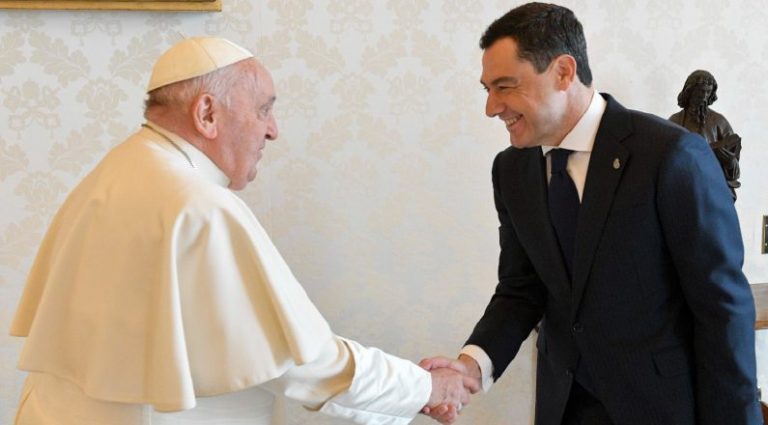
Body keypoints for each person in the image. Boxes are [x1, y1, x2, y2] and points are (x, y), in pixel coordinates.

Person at [9, 37, 477, 425]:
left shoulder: (115, 171)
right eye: (263, 110)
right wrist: (426, 387)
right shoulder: (198, 205)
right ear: (207, 114)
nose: (272, 131)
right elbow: (305, 363)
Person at [421, 3, 761, 425]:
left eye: (505, 86)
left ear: (563, 72)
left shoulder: (671, 156)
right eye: (487, 89)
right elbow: (521, 289)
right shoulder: (511, 170)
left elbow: (721, 308)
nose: (491, 107)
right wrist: (471, 367)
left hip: (661, 409)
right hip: (563, 408)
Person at [669, 70, 742, 200]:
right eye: (700, 92)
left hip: (713, 187)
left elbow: (734, 172)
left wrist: (731, 162)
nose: (704, 97)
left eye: (708, 92)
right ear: (690, 91)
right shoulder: (675, 121)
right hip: (683, 185)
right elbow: (665, 158)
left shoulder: (719, 122)